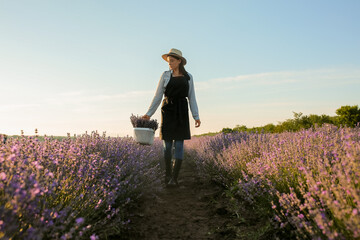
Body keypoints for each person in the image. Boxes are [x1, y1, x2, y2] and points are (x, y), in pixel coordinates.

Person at [142, 48, 201, 187]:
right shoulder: (165, 75)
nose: (170, 63)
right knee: (167, 146)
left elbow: (192, 97)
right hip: (167, 110)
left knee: (179, 145)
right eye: (169, 61)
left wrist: (196, 116)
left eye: (172, 61)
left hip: (181, 110)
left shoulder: (189, 77)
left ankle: (174, 178)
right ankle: (168, 175)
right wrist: (149, 114)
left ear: (179, 61)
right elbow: (157, 96)